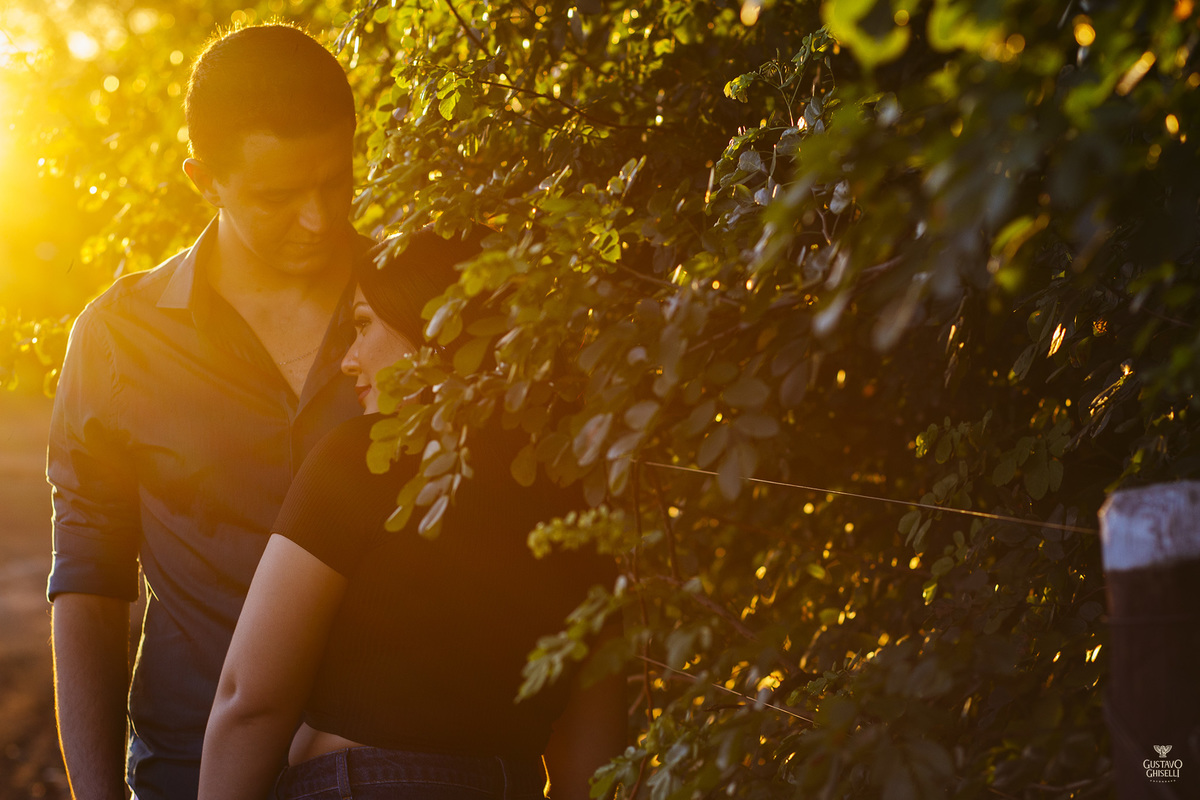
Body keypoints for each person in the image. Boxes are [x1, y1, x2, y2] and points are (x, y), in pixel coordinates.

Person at [47, 23, 366, 800]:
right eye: (278, 197)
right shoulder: (119, 339)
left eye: (336, 181)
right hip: (187, 771)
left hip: (394, 768)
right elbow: (89, 582)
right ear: (203, 179)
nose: (319, 220)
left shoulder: (420, 310)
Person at [198, 229, 627, 800]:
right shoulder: (576, 491)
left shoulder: (363, 457)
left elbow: (248, 699)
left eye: (363, 324)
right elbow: (590, 758)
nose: (348, 361)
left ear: (433, 330)